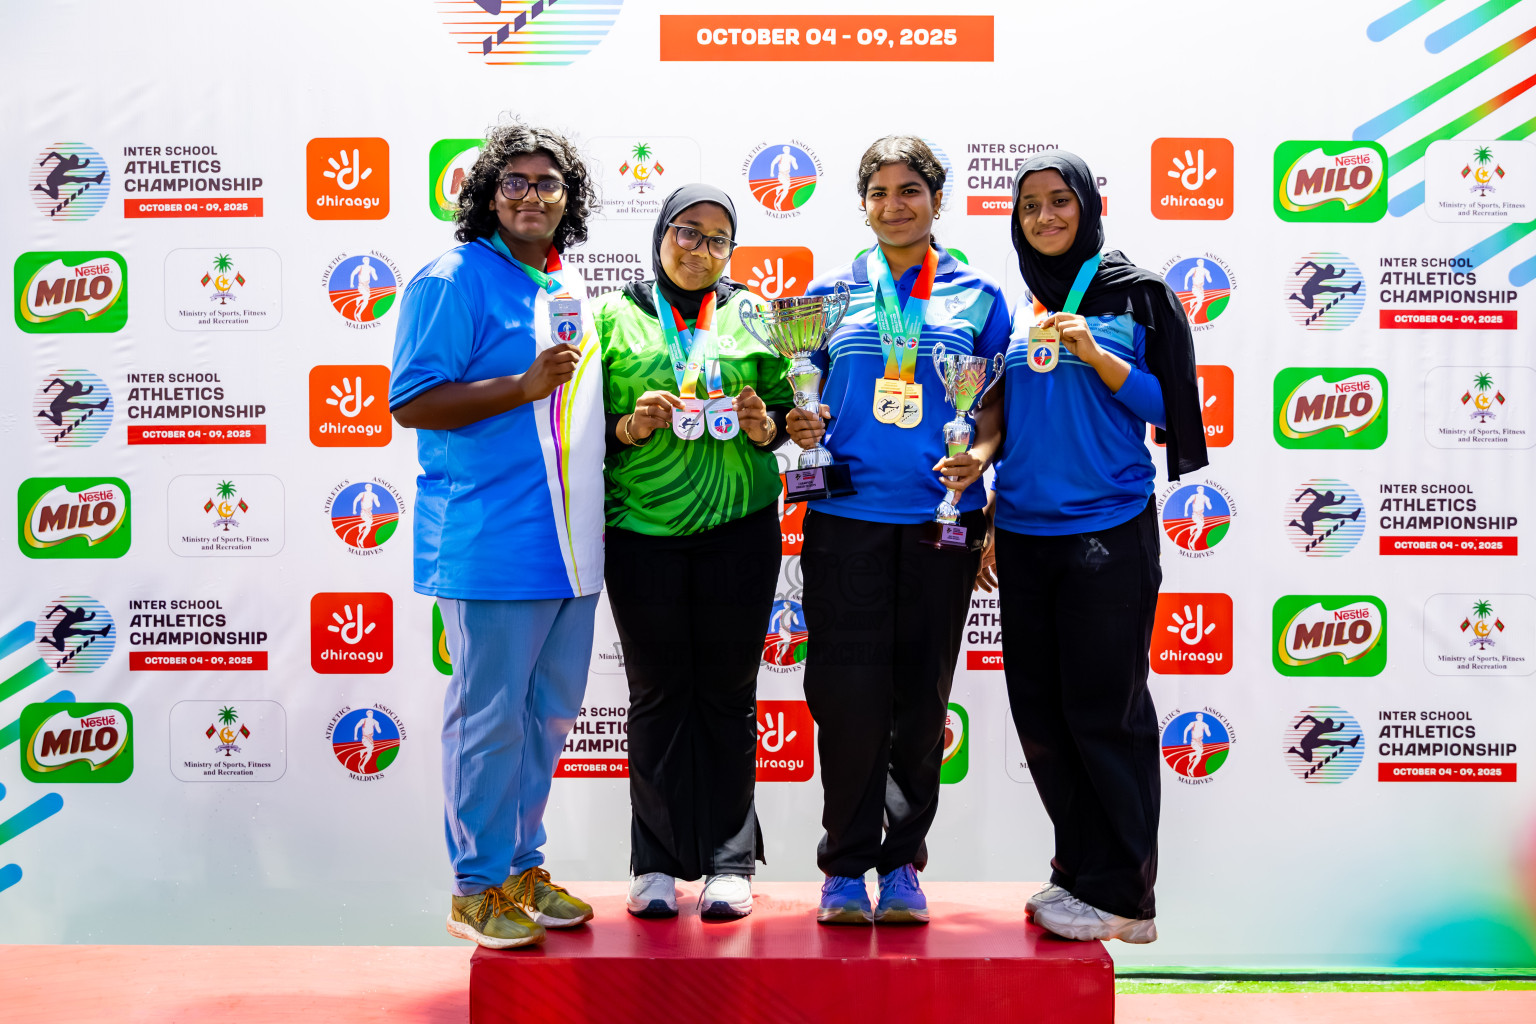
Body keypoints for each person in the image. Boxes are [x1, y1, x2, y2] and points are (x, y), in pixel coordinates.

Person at [979, 150, 1206, 944]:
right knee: (1041, 715)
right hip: (1028, 535)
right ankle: (1078, 870)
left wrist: (1098, 354)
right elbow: (1014, 428)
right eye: (1030, 206)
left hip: (1106, 532)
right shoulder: (1020, 308)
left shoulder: (1136, 294)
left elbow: (1171, 408)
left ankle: (1127, 899)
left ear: (1087, 207)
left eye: (1058, 202)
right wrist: (993, 512)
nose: (1044, 217)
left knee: (1105, 713)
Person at [390, 119, 604, 950]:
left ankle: (521, 868)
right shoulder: (451, 278)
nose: (532, 196)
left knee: (546, 716)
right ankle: (475, 888)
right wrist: (518, 386)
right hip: (488, 538)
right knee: (489, 720)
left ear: (568, 202)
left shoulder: (560, 282)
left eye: (549, 184)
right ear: (485, 194)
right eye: (514, 181)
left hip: (570, 544)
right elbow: (412, 402)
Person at [785, 136, 1010, 926]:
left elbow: (994, 405)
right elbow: (800, 395)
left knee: (921, 701)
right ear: (862, 203)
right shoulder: (829, 291)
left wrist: (978, 460)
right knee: (844, 697)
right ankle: (844, 869)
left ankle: (903, 865)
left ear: (937, 199)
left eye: (909, 189)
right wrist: (802, 420)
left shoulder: (979, 294)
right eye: (878, 191)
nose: (894, 204)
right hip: (845, 519)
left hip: (936, 524)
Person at [596, 185, 793, 921]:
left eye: (717, 239)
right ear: (660, 234)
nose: (699, 248)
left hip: (738, 530)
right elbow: (584, 425)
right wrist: (629, 425)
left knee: (727, 696)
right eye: (687, 231)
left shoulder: (755, 312)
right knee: (654, 697)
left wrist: (764, 422)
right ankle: (652, 862)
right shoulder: (614, 315)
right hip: (641, 532)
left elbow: (788, 416)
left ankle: (727, 862)